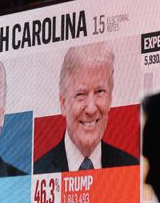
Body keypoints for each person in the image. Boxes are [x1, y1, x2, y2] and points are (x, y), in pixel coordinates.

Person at [34, 42, 137, 174]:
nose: (91, 109)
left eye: (100, 92)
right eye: (81, 94)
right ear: (63, 104)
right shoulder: (38, 172)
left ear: (110, 98)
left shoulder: (132, 168)